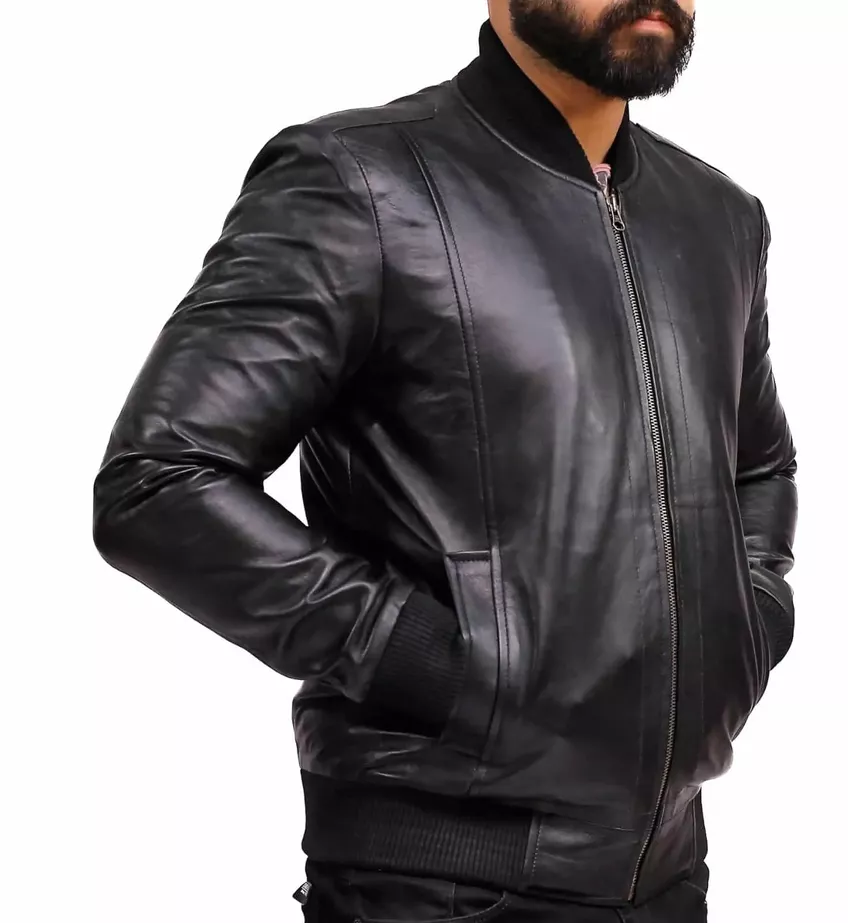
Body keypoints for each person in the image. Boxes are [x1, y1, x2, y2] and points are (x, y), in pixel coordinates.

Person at [92, 1, 799, 920]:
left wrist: (749, 621)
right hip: (436, 884)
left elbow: (756, 466)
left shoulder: (718, 216)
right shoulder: (362, 181)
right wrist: (436, 660)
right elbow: (160, 481)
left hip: (666, 873)